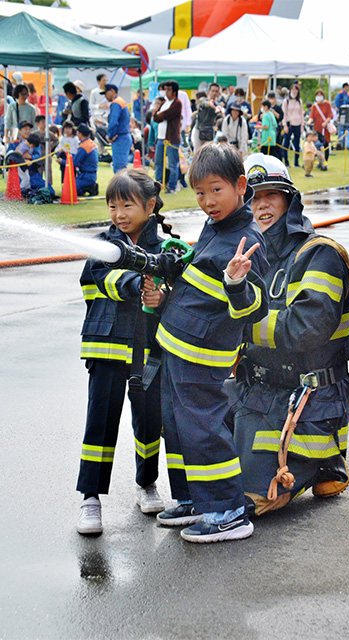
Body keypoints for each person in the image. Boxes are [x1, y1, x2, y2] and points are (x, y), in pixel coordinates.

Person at [226, 152, 349, 517]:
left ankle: (322, 464)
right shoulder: (246, 255)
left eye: (271, 195)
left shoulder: (321, 255)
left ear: (289, 199)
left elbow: (305, 329)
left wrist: (235, 318)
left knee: (243, 501)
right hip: (256, 392)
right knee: (191, 422)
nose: (261, 205)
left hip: (307, 399)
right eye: (251, 197)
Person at [153, 142, 269, 543]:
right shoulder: (216, 225)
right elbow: (202, 268)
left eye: (216, 190)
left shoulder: (248, 239)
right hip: (177, 346)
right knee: (177, 425)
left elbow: (254, 310)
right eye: (199, 193)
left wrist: (237, 282)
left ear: (240, 186)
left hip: (202, 356)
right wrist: (179, 259)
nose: (207, 202)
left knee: (202, 427)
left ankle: (227, 510)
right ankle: (194, 498)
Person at [76, 168, 177, 535]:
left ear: (150, 205)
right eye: (112, 205)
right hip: (107, 347)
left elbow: (180, 287)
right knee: (100, 423)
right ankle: (90, 497)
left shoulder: (166, 248)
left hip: (149, 350)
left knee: (149, 422)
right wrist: (137, 283)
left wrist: (162, 296)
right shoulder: (103, 245)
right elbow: (100, 277)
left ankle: (147, 483)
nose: (119, 214)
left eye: (127, 205)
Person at [152, 80, 182, 193]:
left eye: (169, 89)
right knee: (159, 163)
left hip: (171, 139)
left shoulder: (177, 103)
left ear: (174, 91)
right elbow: (155, 117)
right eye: (166, 89)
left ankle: (172, 186)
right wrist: (158, 114)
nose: (166, 92)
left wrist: (158, 114)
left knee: (172, 164)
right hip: (160, 138)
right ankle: (158, 185)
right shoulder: (164, 102)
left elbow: (165, 115)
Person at [101, 83, 132, 173]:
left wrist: (110, 136)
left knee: (119, 169)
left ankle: (120, 187)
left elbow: (113, 122)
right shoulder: (121, 101)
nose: (105, 97)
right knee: (122, 167)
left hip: (120, 137)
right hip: (124, 136)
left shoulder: (116, 103)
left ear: (112, 91)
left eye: (106, 93)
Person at [64, 123, 99, 196]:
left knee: (68, 190)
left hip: (86, 176)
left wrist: (62, 161)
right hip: (91, 174)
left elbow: (74, 163)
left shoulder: (84, 146)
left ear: (80, 134)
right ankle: (88, 187)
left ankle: (88, 187)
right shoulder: (90, 143)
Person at [191, 83, 223, 153]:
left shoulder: (217, 105)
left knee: (208, 154)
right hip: (199, 130)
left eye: (216, 91)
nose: (214, 93)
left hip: (209, 133)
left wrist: (219, 112)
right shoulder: (203, 99)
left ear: (218, 93)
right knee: (198, 153)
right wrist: (209, 104)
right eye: (213, 91)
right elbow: (203, 103)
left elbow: (220, 117)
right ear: (209, 91)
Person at [308, 89, 334, 162]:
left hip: (325, 128)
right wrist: (309, 122)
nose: (319, 97)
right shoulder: (314, 106)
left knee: (325, 144)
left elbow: (330, 115)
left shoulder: (327, 104)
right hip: (317, 128)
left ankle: (325, 161)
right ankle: (318, 160)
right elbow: (311, 116)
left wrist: (326, 122)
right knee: (317, 144)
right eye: (317, 95)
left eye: (320, 95)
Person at [282, 82, 304, 168]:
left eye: (296, 90)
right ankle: (286, 162)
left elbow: (301, 113)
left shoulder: (299, 101)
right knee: (286, 143)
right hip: (289, 124)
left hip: (297, 124)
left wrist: (302, 124)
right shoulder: (286, 101)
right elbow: (284, 113)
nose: (294, 92)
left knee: (297, 143)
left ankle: (296, 162)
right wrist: (284, 125)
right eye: (293, 90)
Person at [33, 114, 59, 185]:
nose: (44, 124)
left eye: (45, 122)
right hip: (38, 157)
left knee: (48, 174)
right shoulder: (35, 134)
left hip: (47, 156)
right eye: (42, 122)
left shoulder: (49, 133)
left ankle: (49, 188)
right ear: (37, 124)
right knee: (39, 173)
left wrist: (51, 146)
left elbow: (56, 140)